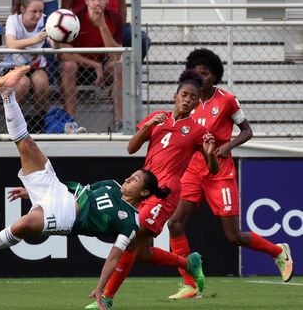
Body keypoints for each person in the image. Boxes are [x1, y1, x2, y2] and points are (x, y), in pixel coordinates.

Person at [0, 65, 205, 310]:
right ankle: (7, 95)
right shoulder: (112, 185)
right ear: (175, 95)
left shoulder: (129, 222)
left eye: (134, 180)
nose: (128, 179)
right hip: (58, 190)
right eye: (131, 176)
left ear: (144, 192)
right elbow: (82, 186)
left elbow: (113, 256)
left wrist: (99, 287)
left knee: (25, 225)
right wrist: (31, 191)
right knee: (27, 145)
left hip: (66, 216)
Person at [84, 69, 219, 309]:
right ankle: (189, 264)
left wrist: (210, 155)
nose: (187, 100)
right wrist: (147, 127)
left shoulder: (198, 131)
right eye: (184, 95)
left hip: (165, 193)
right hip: (143, 189)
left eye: (193, 98)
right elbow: (131, 148)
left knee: (131, 238)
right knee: (142, 252)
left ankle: (106, 297)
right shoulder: (158, 117)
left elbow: (214, 169)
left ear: (197, 103)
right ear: (175, 96)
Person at [166, 48, 294, 299]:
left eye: (205, 73)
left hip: (219, 173)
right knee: (174, 223)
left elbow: (247, 130)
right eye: (196, 73)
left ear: (215, 76)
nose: (200, 78)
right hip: (193, 170)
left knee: (233, 236)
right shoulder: (187, 101)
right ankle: (190, 284)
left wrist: (229, 145)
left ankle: (278, 252)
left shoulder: (226, 100)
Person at [55, 0, 123, 130]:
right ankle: (71, 123)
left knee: (118, 67)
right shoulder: (74, 17)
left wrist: (102, 26)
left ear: (107, 0)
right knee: (68, 66)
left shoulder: (114, 17)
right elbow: (65, 54)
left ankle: (120, 122)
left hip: (103, 67)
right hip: (80, 66)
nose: (96, 3)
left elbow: (116, 55)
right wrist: (93, 65)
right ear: (86, 1)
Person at [2, 0, 50, 133]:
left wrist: (58, 35)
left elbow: (56, 45)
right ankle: (15, 122)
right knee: (22, 83)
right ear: (23, 9)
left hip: (36, 66)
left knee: (41, 82)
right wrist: (36, 39)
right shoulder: (13, 20)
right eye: (34, 11)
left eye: (41, 11)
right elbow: (11, 43)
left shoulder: (46, 22)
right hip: (13, 66)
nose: (38, 15)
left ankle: (40, 120)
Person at [61, 0, 150, 61]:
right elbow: (65, 7)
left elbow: (122, 5)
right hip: (83, 22)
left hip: (112, 21)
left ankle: (130, 75)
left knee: (142, 39)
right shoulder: (78, 14)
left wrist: (119, 28)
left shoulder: (114, 17)